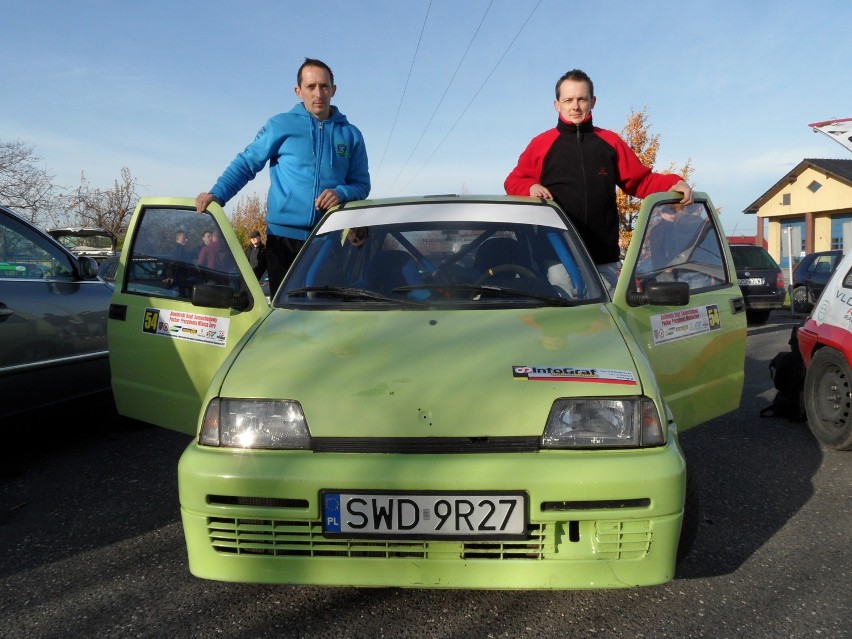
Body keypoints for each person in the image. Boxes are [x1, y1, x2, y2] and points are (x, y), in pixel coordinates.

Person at [504, 69, 693, 291]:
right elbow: (513, 180)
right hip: (557, 259)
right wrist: (530, 186)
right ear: (557, 104)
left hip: (603, 259)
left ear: (593, 102)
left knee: (606, 321)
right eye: (568, 100)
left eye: (582, 99)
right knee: (566, 323)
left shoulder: (610, 142)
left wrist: (675, 183)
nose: (575, 106)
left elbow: (640, 181)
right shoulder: (541, 144)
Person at [196, 57, 371, 295]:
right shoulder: (280, 125)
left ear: (334, 90)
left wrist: (342, 193)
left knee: (325, 311)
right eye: (311, 87)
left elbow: (361, 184)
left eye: (324, 86)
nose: (318, 93)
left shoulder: (351, 135)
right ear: (299, 91)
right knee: (286, 314)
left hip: (328, 237)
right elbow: (247, 163)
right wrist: (218, 193)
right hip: (283, 239)